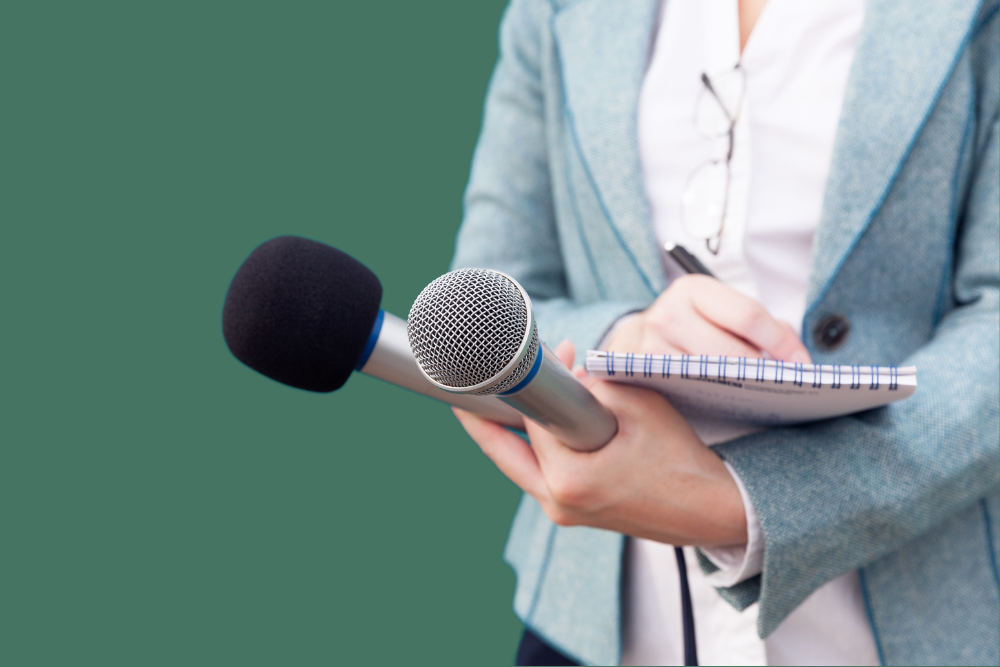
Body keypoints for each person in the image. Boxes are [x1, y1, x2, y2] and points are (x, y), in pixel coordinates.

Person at [448, 0, 1000, 664]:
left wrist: (747, 505)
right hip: (591, 631)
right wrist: (626, 339)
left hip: (919, 624)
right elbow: (494, 285)